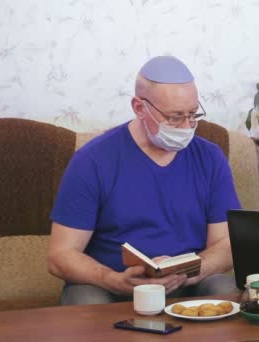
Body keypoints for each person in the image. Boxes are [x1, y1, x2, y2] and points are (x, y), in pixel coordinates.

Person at [47, 56, 241, 305]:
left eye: (193, 114)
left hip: (189, 282)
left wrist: (186, 272)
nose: (186, 126)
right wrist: (111, 279)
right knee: (85, 302)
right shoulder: (93, 160)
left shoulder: (210, 158)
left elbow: (225, 244)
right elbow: (60, 255)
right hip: (111, 287)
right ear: (139, 108)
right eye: (174, 117)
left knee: (224, 288)